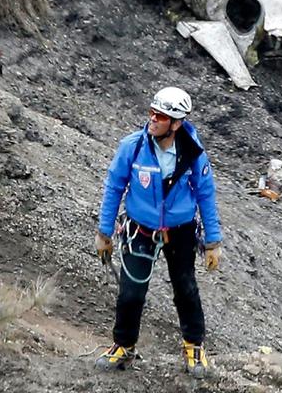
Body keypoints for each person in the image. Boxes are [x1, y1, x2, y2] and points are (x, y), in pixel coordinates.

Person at [94, 86, 222, 377]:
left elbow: (205, 193)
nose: (152, 119)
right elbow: (114, 187)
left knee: (185, 289)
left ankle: (194, 346)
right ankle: (123, 345)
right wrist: (104, 233)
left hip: (181, 231)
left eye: (160, 116)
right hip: (140, 230)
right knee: (131, 293)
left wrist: (213, 240)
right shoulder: (133, 147)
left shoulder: (192, 152)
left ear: (176, 123)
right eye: (151, 113)